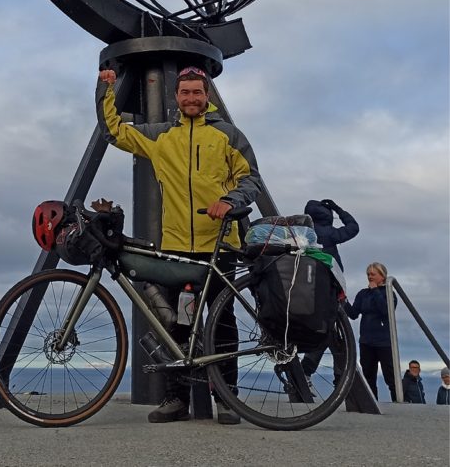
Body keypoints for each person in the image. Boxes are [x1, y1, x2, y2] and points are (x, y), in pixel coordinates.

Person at [96, 65, 261, 424]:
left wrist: (231, 200)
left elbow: (252, 179)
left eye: (196, 93)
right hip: (178, 248)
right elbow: (114, 132)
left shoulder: (228, 136)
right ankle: (176, 400)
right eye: (184, 93)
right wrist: (105, 90)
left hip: (219, 246)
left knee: (223, 324)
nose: (191, 98)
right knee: (180, 324)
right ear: (176, 97)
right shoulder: (161, 137)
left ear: (207, 97)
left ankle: (228, 400)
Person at [300, 198, 359, 386]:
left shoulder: (303, 234)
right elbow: (353, 227)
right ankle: (338, 378)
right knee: (335, 334)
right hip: (330, 288)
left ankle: (305, 373)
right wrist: (338, 208)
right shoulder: (330, 233)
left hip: (308, 287)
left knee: (322, 330)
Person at [344, 262, 397, 402]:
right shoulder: (362, 294)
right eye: (368, 274)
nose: (370, 276)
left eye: (373, 274)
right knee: (368, 376)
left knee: (391, 377)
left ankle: (399, 404)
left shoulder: (389, 293)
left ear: (382, 276)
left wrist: (375, 291)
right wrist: (343, 301)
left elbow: (385, 311)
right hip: (366, 341)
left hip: (384, 342)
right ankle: (372, 405)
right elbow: (354, 314)